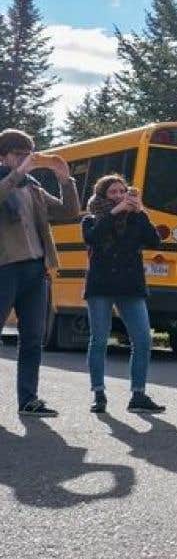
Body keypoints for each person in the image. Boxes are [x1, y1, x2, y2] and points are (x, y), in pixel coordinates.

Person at [0, 129, 79, 417]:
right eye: (18, 154)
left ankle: (29, 399)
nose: (25, 159)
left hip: (36, 269)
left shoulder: (32, 186)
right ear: (2, 156)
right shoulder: (8, 181)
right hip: (4, 269)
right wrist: (18, 172)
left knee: (33, 337)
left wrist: (64, 178)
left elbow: (70, 212)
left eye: (27, 154)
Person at [82, 173, 170, 413]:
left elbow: (154, 242)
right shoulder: (92, 219)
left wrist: (140, 211)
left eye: (123, 191)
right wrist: (114, 212)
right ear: (103, 195)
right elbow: (92, 238)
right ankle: (98, 393)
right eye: (113, 192)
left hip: (131, 286)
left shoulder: (136, 218)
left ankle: (138, 395)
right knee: (99, 339)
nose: (119, 196)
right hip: (101, 285)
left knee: (143, 340)